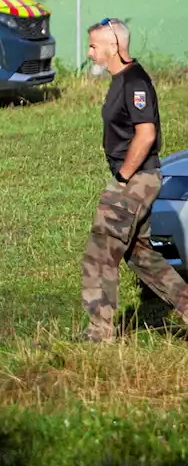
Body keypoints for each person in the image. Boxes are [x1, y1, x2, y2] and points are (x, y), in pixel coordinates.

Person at [81, 17, 188, 343]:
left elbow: (146, 133)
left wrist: (125, 175)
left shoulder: (134, 83)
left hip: (137, 179)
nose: (89, 53)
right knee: (141, 255)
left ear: (113, 47)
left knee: (100, 253)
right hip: (138, 177)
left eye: (94, 46)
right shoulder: (122, 80)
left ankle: (99, 336)